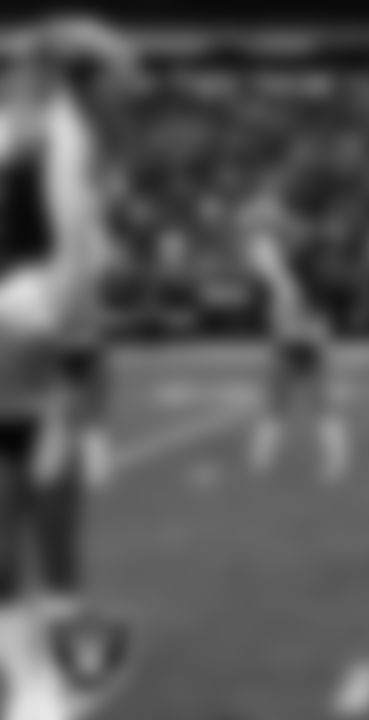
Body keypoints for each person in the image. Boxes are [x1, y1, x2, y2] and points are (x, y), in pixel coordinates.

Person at [0, 16, 132, 719]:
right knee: (34, 517)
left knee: (42, 518)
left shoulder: (56, 132)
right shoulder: (50, 132)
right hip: (24, 321)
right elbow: (74, 257)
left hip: (29, 320)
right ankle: (43, 681)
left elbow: (77, 254)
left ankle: (46, 682)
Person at [241, 190, 350, 485]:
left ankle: (264, 460)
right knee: (302, 400)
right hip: (303, 328)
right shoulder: (291, 250)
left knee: (293, 399)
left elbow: (290, 286)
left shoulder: (290, 253)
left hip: (299, 328)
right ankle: (330, 460)